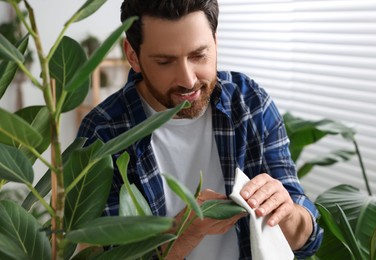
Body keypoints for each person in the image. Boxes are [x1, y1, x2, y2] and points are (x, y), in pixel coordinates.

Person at [77, 0, 323, 259]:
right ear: (132, 56)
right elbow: (112, 254)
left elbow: (308, 241)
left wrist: (287, 212)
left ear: (215, 42)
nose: (188, 79)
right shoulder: (102, 132)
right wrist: (186, 231)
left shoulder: (250, 103)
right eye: (165, 61)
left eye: (199, 55)